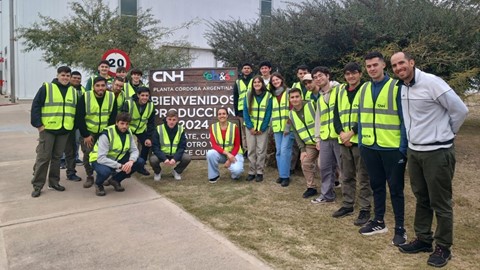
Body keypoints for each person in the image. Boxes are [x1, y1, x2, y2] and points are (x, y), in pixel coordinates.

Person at [391, 52, 468, 267]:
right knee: (421, 198)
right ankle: (424, 239)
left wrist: (447, 134)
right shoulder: (404, 87)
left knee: (440, 202)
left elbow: (460, 110)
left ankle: (443, 247)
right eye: (395, 65)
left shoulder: (432, 82)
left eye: (402, 63)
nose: (398, 68)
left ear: (412, 62)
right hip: (415, 152)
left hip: (437, 152)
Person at [357, 51, 407, 246]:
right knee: (377, 186)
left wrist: (403, 148)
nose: (371, 69)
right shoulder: (363, 89)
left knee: (396, 189)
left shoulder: (396, 87)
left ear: (383, 65)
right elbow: (361, 118)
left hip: (392, 148)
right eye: (368, 66)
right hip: (369, 147)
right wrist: (361, 142)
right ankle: (379, 221)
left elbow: (405, 120)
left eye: (375, 65)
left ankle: (400, 228)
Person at [331, 62, 372, 226]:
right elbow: (336, 114)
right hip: (343, 141)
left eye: (354, 73)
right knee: (346, 175)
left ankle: (364, 208)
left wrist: (352, 132)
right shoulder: (340, 91)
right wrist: (341, 133)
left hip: (359, 141)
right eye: (347, 74)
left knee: (363, 177)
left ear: (360, 74)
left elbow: (367, 114)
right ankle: (348, 204)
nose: (351, 76)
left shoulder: (366, 90)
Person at [30, 66, 77, 197]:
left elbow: (75, 110)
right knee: (43, 158)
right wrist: (38, 125)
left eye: (68, 76)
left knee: (57, 158)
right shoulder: (47, 88)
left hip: (64, 130)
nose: (65, 78)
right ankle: (37, 185)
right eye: (63, 75)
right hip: (48, 129)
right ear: (57, 75)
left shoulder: (73, 91)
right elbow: (36, 105)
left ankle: (54, 182)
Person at [89, 112, 145, 196]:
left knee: (140, 162)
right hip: (97, 159)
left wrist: (131, 161)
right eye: (122, 123)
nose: (124, 126)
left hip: (116, 158)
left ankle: (115, 180)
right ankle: (98, 184)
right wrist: (120, 166)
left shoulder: (128, 132)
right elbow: (101, 158)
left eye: (127, 124)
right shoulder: (106, 134)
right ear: (116, 122)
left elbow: (134, 150)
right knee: (105, 172)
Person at [76, 76, 117, 189]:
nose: (100, 88)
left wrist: (108, 134)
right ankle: (90, 176)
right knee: (88, 155)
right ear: (93, 86)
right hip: (89, 132)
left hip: (104, 132)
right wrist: (85, 135)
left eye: (103, 85)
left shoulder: (111, 96)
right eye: (97, 86)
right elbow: (79, 117)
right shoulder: (86, 96)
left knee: (104, 154)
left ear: (106, 86)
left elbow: (113, 117)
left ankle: (102, 175)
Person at [311, 66, 341, 204]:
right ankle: (327, 195)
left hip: (339, 137)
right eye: (315, 77)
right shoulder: (320, 99)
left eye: (320, 75)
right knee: (325, 168)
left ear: (328, 75)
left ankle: (348, 197)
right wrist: (317, 138)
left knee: (344, 169)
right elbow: (318, 120)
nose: (318, 79)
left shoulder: (340, 90)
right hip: (324, 138)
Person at [288, 88, 319, 198]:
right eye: (292, 97)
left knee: (324, 164)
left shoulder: (312, 105)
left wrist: (320, 139)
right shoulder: (291, 114)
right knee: (305, 162)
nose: (295, 99)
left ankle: (332, 185)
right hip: (309, 144)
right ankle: (311, 187)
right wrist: (302, 150)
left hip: (322, 141)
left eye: (297, 96)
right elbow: (296, 133)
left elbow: (322, 121)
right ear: (289, 99)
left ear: (301, 97)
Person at [243, 75, 272, 182]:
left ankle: (259, 172)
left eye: (259, 82)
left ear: (262, 84)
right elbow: (245, 111)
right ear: (252, 84)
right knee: (251, 150)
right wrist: (250, 127)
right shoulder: (248, 94)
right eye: (255, 82)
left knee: (261, 151)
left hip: (262, 129)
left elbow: (268, 113)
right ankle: (251, 171)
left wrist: (263, 128)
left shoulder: (268, 95)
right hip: (250, 128)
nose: (257, 84)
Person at [150, 110, 191, 181]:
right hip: (162, 154)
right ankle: (157, 172)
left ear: (177, 120)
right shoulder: (159, 129)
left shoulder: (180, 129)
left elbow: (182, 147)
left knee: (187, 158)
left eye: (174, 120)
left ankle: (176, 171)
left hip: (175, 154)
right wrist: (164, 158)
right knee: (153, 159)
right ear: (166, 119)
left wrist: (175, 158)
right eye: (169, 119)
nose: (171, 122)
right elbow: (155, 147)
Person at [122, 86, 155, 175]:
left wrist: (149, 137)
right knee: (125, 147)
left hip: (141, 129)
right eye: (142, 95)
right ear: (138, 95)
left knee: (147, 145)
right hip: (128, 129)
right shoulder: (128, 103)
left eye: (147, 96)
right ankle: (126, 167)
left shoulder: (151, 105)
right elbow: (123, 119)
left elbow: (151, 123)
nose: (144, 98)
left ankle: (141, 166)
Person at [206, 108, 244, 183]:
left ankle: (234, 174)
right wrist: (227, 154)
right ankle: (214, 175)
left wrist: (230, 159)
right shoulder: (213, 127)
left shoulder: (234, 127)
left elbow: (237, 145)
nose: (221, 116)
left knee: (237, 171)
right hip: (222, 154)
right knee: (210, 153)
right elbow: (214, 145)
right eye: (219, 114)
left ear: (227, 116)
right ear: (217, 116)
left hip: (234, 153)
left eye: (224, 114)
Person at [269, 72, 294, 187]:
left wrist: (287, 126)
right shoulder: (272, 95)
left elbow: (292, 110)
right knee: (278, 151)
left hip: (287, 128)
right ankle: (282, 174)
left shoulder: (289, 92)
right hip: (277, 127)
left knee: (285, 151)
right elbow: (271, 112)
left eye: (277, 79)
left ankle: (285, 176)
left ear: (281, 79)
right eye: (273, 80)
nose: (275, 81)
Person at [60, 71, 85, 181]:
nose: (76, 80)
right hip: (57, 126)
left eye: (78, 78)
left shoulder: (82, 90)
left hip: (73, 126)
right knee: (50, 152)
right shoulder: (62, 89)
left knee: (72, 149)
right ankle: (39, 171)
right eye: (74, 77)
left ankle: (71, 173)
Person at [233, 63, 253, 152]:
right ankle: (246, 150)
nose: (246, 70)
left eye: (248, 68)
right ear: (242, 70)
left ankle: (252, 149)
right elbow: (235, 97)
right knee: (243, 132)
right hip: (241, 111)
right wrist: (236, 112)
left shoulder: (254, 80)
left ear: (251, 70)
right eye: (245, 68)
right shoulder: (238, 82)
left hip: (253, 110)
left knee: (252, 129)